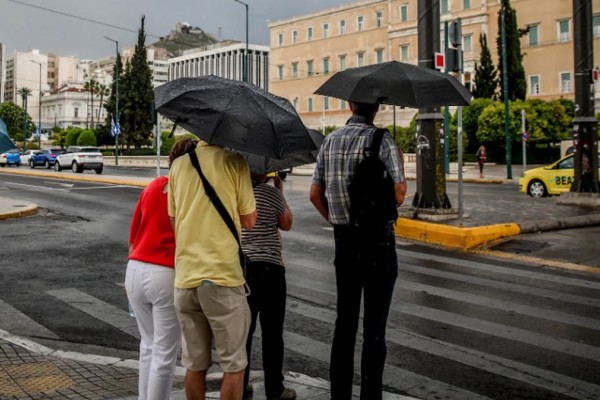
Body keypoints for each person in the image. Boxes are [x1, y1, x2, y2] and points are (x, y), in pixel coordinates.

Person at [309, 101, 406, 400]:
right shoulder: (384, 141)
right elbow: (399, 196)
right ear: (376, 107)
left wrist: (337, 220)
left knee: (345, 324)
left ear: (350, 104)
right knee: (375, 328)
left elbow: (315, 194)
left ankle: (340, 395)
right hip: (378, 243)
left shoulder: (330, 141)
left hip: (345, 243)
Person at [168, 140, 257, 400]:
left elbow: (173, 220)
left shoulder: (178, 166)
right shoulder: (235, 161)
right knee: (234, 365)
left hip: (185, 279)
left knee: (194, 365)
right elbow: (250, 220)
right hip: (222, 278)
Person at [125, 137, 198, 400]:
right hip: (164, 273)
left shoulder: (154, 186)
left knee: (148, 345)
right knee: (165, 354)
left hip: (135, 269)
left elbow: (132, 237)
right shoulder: (189, 192)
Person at [241, 173, 295, 400]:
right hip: (272, 270)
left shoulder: (238, 193)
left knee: (244, 332)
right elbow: (287, 223)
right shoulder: (271, 193)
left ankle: (240, 384)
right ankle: (275, 389)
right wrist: (280, 192)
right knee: (273, 334)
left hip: (245, 271)